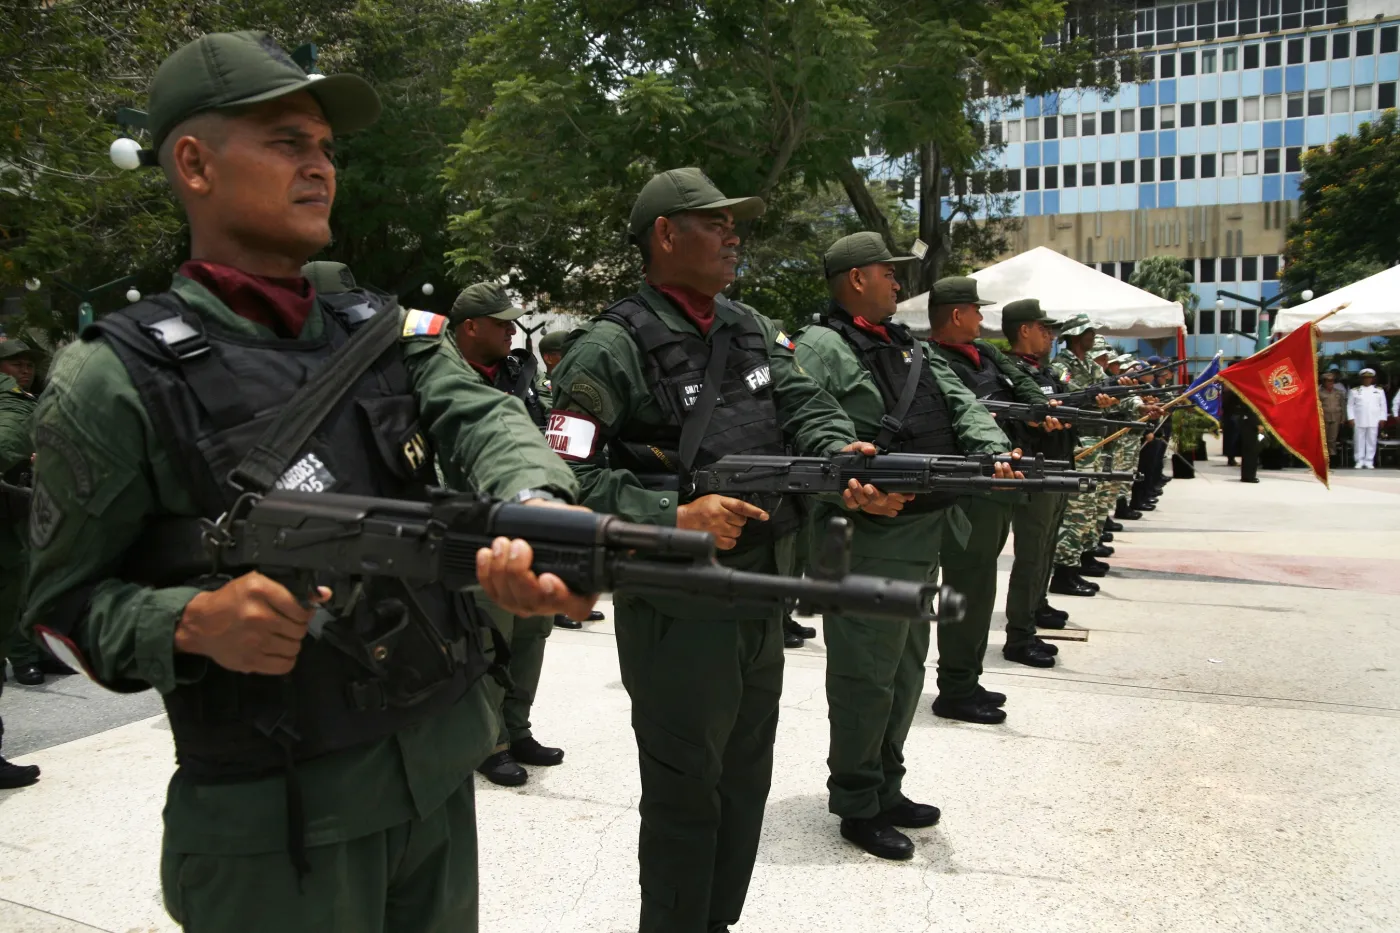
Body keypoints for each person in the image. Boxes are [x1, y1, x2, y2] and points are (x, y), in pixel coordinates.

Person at [22, 32, 595, 933]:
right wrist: (191, 622)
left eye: (326, 148)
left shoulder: (381, 327)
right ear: (194, 164)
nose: (320, 166)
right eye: (288, 142)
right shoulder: (112, 375)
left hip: (436, 776)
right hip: (278, 830)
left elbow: (482, 416)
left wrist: (537, 505)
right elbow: (56, 610)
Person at [545, 168, 902, 933]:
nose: (734, 235)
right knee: (685, 791)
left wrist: (844, 457)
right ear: (666, 235)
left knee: (744, 781)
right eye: (716, 223)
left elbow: (804, 405)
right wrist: (673, 510)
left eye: (735, 224)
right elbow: (558, 478)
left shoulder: (749, 326)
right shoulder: (608, 348)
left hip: (761, 587)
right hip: (678, 598)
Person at [797, 243, 1019, 861]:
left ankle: (886, 786)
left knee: (903, 673)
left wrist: (991, 450)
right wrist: (851, 487)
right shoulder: (820, 348)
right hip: (866, 538)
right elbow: (802, 427)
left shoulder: (905, 344)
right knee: (865, 677)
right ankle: (857, 802)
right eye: (889, 274)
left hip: (922, 532)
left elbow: (962, 402)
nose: (898, 283)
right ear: (857, 278)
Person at [447, 282, 567, 785]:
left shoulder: (519, 375)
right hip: (478, 528)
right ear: (470, 327)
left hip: (527, 521)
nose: (512, 330)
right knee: (489, 637)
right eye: (501, 323)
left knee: (531, 632)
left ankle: (517, 729)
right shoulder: (443, 379)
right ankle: (487, 742)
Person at [926, 288, 1064, 673]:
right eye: (975, 312)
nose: (982, 320)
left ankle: (966, 678)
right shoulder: (931, 359)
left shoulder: (986, 353)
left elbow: (1023, 383)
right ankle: (958, 679)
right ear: (956, 316)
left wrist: (1035, 408)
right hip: (968, 483)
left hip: (1001, 478)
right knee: (969, 583)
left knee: (982, 582)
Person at [991, 298, 1077, 663]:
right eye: (1044, 329)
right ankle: (1019, 636)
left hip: (1057, 468)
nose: (1051, 336)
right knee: (1030, 555)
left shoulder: (1046, 374)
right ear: (1024, 330)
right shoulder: (1008, 372)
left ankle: (1033, 613)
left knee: (1044, 551)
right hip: (1033, 474)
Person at [1048, 317, 1117, 598]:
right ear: (1077, 336)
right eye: (1089, 332)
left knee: (1088, 508)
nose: (1093, 337)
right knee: (1075, 511)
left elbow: (1109, 390)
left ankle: (1079, 561)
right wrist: (1093, 399)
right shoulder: (1061, 367)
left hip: (1093, 442)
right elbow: (1066, 399)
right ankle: (1064, 572)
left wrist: (1125, 396)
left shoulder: (1089, 365)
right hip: (1077, 445)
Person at [0, 340, 45, 686]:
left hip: (31, 499)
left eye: (28, 364)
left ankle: (35, 650)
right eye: (17, 364)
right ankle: (22, 657)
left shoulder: (29, 399)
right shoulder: (11, 403)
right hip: (9, 504)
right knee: (14, 579)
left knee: (33, 578)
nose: (25, 370)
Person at [1348, 367, 1389, 469]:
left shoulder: (1379, 391)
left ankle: (1369, 460)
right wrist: (1351, 418)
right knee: (1358, 441)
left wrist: (1383, 418)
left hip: (1374, 419)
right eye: (1365, 378)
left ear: (1372, 379)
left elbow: (1383, 405)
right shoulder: (1354, 391)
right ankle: (1359, 460)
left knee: (1371, 440)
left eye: (1369, 378)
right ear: (1361, 379)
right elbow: (1350, 405)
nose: (1367, 379)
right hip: (1359, 419)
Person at [1320, 371, 1348, 463]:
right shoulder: (1318, 392)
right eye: (1328, 381)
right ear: (1324, 382)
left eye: (1332, 381)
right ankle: (1322, 458)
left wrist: (1343, 418)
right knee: (1323, 438)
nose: (1330, 383)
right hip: (1323, 418)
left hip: (1336, 417)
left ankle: (1332, 457)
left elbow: (1343, 406)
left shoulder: (1338, 393)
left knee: (1332, 439)